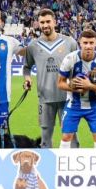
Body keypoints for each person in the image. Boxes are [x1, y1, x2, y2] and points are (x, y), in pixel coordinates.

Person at [23, 9, 79, 148]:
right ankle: (48, 168)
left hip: (67, 97)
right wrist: (27, 79)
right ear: (38, 24)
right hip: (45, 99)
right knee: (45, 137)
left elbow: (78, 66)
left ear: (55, 22)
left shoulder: (69, 42)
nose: (45, 25)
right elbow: (26, 67)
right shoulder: (33, 46)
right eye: (42, 22)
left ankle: (75, 168)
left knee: (71, 136)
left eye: (48, 21)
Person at [57, 29, 96, 149]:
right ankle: (62, 166)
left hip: (95, 106)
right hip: (73, 105)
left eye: (91, 43)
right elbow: (60, 84)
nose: (88, 46)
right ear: (80, 43)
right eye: (85, 43)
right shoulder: (69, 59)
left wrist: (89, 86)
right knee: (66, 137)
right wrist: (75, 88)